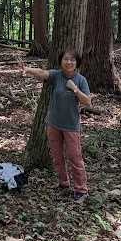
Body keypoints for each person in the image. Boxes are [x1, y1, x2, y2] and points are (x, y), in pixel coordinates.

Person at [18, 47, 92, 204]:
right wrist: (26, 68)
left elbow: (87, 102)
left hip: (71, 126)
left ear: (77, 63)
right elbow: (42, 73)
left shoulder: (81, 80)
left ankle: (81, 190)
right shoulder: (56, 76)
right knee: (57, 157)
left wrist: (75, 89)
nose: (69, 62)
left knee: (75, 158)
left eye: (72, 59)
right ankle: (63, 184)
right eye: (65, 59)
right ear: (61, 61)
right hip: (53, 124)